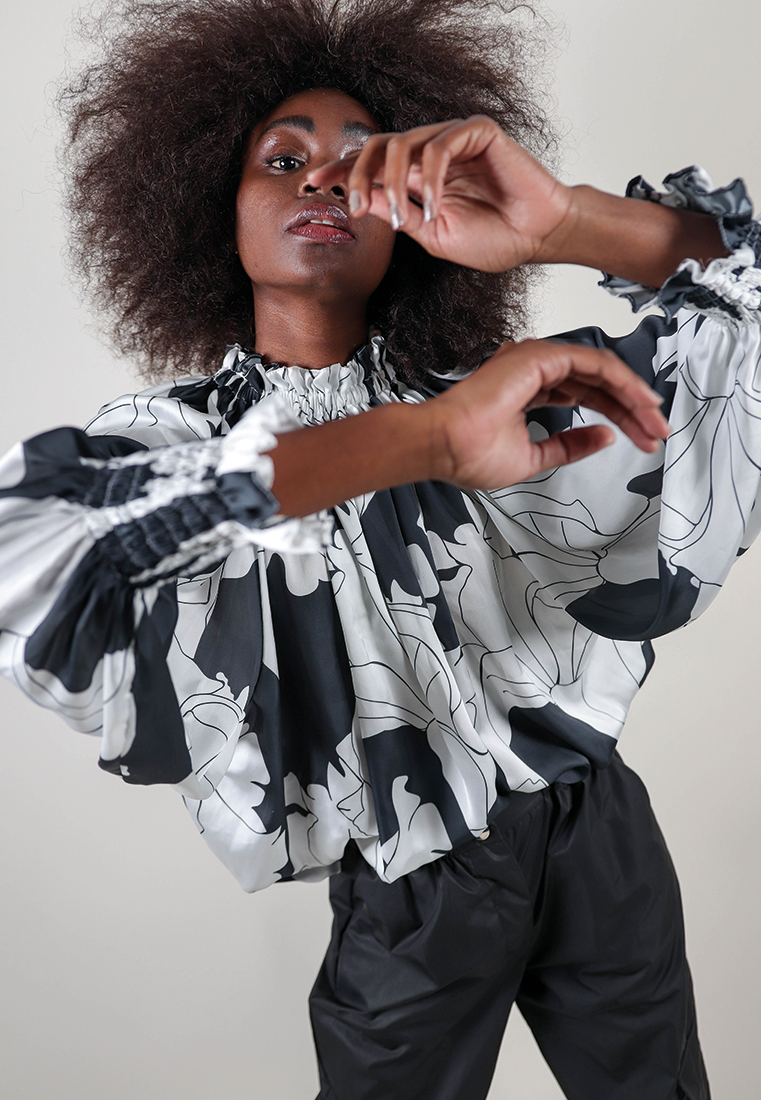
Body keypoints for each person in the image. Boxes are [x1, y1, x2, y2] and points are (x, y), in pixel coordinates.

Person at [0, 1, 758, 1098]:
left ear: (403, 216)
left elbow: (743, 312)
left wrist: (562, 221)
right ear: (211, 204)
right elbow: (30, 550)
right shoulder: (184, 448)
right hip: (411, 881)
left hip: (601, 828)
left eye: (358, 163)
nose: (321, 179)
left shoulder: (507, 396)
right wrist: (425, 443)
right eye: (282, 159)